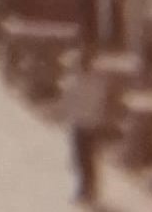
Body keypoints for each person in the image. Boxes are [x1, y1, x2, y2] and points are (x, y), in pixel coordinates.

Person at [62, 46, 114, 205]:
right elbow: (103, 100)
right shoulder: (96, 81)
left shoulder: (75, 82)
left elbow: (68, 102)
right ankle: (89, 189)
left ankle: (85, 190)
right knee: (87, 158)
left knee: (82, 158)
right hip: (90, 123)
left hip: (82, 124)